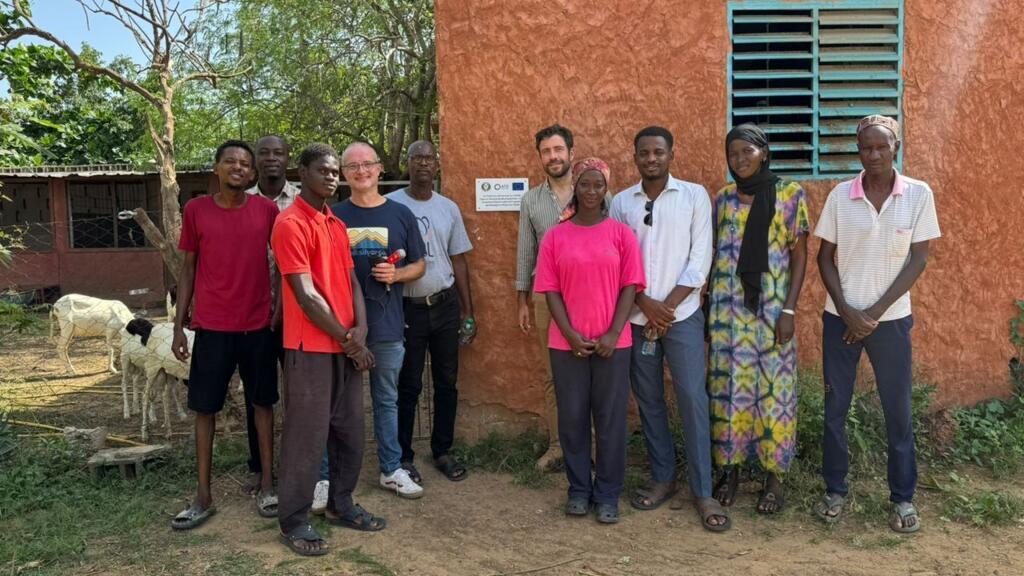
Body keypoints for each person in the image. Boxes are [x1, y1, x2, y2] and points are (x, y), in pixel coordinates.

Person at [813, 115, 940, 533]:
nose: (873, 155)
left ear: (895, 147)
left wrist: (873, 315)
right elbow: (823, 259)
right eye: (866, 148)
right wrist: (849, 312)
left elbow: (917, 260)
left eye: (881, 147)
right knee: (836, 408)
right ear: (858, 151)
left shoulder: (918, 195)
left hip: (891, 322)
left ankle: (903, 498)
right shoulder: (839, 196)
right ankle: (835, 489)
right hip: (840, 320)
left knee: (897, 411)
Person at [610, 126, 729, 532]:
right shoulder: (622, 203)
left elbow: (701, 258)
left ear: (671, 154)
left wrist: (668, 308)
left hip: (683, 318)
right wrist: (644, 304)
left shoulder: (694, 195)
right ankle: (663, 476)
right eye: (643, 153)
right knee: (649, 400)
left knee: (693, 398)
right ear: (635, 157)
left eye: (658, 152)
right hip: (637, 318)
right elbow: (618, 262)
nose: (651, 159)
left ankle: (703, 489)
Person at [272, 143, 383, 556]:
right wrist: (348, 341)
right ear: (302, 173)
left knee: (350, 432)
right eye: (324, 171)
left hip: (345, 345)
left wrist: (362, 329)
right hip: (310, 348)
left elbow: (351, 282)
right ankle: (294, 520)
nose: (333, 178)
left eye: (336, 171)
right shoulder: (290, 224)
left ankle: (341, 504)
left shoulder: (335, 223)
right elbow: (305, 295)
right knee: (307, 436)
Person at [170, 140, 280, 529]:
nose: (238, 167)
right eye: (230, 161)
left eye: (244, 164)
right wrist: (179, 326)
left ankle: (268, 485)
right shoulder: (196, 210)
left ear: (252, 174)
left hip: (258, 326)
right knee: (204, 409)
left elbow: (283, 264)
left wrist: (278, 310)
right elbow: (187, 269)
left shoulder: (267, 210)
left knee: (262, 404)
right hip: (212, 327)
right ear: (216, 168)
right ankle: (203, 495)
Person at [534, 158, 645, 524]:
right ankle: (579, 490)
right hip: (567, 346)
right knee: (572, 419)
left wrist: (613, 332)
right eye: (585, 184)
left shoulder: (620, 234)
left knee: (611, 420)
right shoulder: (555, 236)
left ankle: (609, 493)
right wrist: (568, 333)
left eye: (599, 185)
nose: (592, 191)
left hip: (614, 343)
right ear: (576, 188)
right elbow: (550, 290)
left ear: (605, 189)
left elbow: (630, 285)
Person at [708, 124, 810, 514]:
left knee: (774, 394)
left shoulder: (789, 194)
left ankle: (773, 480)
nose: (740, 159)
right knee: (728, 393)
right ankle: (730, 471)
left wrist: (789, 309)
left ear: (764, 152)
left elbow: (799, 255)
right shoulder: (723, 199)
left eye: (747, 151)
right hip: (726, 316)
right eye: (733, 153)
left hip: (770, 313)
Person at [332, 142, 427, 499]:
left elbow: (420, 264)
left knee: (386, 400)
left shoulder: (401, 214)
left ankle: (391, 469)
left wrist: (397, 275)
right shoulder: (334, 215)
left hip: (387, 324)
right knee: (338, 401)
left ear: (380, 169)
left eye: (367, 164)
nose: (361, 171)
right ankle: (329, 475)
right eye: (352, 166)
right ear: (344, 173)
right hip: (341, 327)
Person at [388, 140, 476, 483]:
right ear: (408, 165)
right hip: (407, 308)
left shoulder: (448, 208)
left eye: (429, 158)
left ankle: (443, 450)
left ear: (437, 165)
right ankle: (403, 455)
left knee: (446, 382)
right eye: (416, 158)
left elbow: (459, 259)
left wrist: (469, 311)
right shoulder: (392, 205)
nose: (423, 164)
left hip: (444, 305)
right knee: (407, 384)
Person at [515, 124, 575, 471]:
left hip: (588, 297)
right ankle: (558, 446)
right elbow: (526, 252)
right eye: (546, 151)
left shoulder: (595, 192)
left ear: (571, 152)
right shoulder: (532, 200)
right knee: (554, 373)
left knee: (592, 371)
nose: (553, 156)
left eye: (558, 149)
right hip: (545, 297)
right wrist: (522, 300)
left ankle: (591, 446)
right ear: (540, 157)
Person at [242, 134, 299, 493]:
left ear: (288, 158)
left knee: (298, 392)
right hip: (254, 314)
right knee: (258, 394)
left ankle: (295, 464)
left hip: (297, 312)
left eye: (279, 153)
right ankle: (259, 467)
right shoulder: (241, 201)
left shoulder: (302, 197)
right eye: (264, 153)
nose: (272, 159)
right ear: (255, 161)